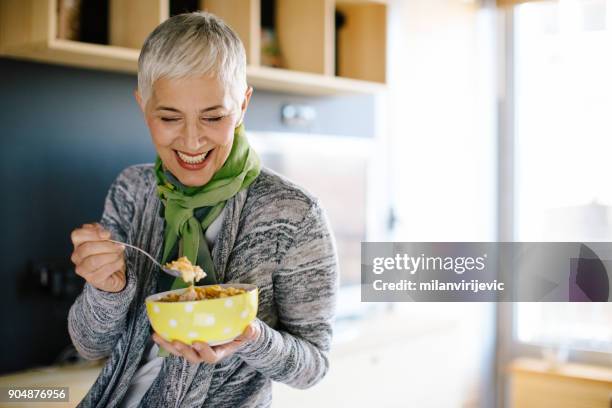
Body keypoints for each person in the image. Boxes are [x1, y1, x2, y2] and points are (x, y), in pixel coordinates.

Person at [67, 11, 338, 407]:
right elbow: (90, 344)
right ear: (143, 106)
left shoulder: (294, 214)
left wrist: (250, 337)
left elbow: (314, 365)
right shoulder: (132, 191)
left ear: (243, 105)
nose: (192, 141)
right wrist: (106, 290)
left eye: (213, 116)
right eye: (169, 117)